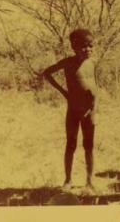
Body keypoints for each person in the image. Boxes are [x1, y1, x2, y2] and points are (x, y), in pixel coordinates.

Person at [42, 29, 99, 192]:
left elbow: (96, 85)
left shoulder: (93, 62)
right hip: (74, 110)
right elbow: (47, 73)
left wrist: (95, 109)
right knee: (71, 144)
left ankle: (89, 180)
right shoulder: (68, 62)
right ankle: (68, 180)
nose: (87, 50)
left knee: (89, 146)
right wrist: (64, 93)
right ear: (74, 47)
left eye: (90, 46)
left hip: (90, 111)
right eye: (83, 47)